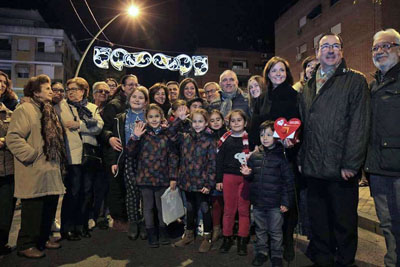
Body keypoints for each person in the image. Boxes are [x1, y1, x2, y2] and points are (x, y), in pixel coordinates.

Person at [298, 33, 370, 266]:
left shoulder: (355, 81)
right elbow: (304, 126)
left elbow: (360, 125)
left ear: (342, 51)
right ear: (318, 52)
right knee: (319, 222)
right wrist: (301, 158)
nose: (330, 50)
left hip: (340, 169)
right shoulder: (308, 86)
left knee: (344, 223)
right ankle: (323, 260)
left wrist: (351, 163)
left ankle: (345, 262)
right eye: (325, 46)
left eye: (335, 46)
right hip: (313, 168)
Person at [6, 74, 65, 258]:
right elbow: (13, 137)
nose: (51, 91)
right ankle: (26, 244)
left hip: (50, 168)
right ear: (36, 92)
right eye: (47, 88)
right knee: (33, 209)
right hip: (34, 168)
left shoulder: (48, 110)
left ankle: (42, 239)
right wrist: (31, 155)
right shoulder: (25, 110)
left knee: (48, 206)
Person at [365, 28, 400, 267]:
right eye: (376, 48)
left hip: (398, 167)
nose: (380, 51)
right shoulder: (373, 85)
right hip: (377, 168)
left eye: (386, 46)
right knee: (387, 225)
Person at [241, 120, 294, 267]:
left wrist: (285, 201)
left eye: (269, 135)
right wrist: (247, 174)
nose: (265, 138)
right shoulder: (254, 156)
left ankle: (277, 254)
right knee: (260, 230)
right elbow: (251, 177)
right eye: (262, 134)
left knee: (276, 231)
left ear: (276, 137)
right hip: (258, 202)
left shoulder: (282, 157)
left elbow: (287, 181)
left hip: (275, 203)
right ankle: (261, 253)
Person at [58, 77, 104, 240]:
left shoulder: (91, 107)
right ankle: (67, 227)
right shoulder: (62, 106)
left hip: (89, 155)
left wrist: (79, 126)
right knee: (73, 192)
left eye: (75, 89)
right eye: (69, 89)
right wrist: (85, 127)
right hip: (72, 156)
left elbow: (98, 127)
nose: (71, 92)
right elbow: (63, 125)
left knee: (87, 192)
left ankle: (82, 225)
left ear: (84, 91)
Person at [125, 104, 178, 248]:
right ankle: (151, 234)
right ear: (146, 119)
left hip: (162, 177)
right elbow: (129, 152)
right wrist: (135, 137)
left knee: (162, 208)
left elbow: (173, 157)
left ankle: (163, 232)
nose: (154, 119)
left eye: (156, 116)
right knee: (147, 208)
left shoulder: (167, 134)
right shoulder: (142, 134)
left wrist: (173, 177)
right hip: (145, 178)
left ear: (161, 117)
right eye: (150, 117)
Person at [171, 107, 216, 253]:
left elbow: (212, 164)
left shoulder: (210, 139)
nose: (197, 124)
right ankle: (189, 234)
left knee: (204, 208)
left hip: (202, 183)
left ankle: (207, 237)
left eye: (200, 121)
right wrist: (179, 120)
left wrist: (209, 183)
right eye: (194, 121)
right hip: (187, 181)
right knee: (189, 208)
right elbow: (170, 134)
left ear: (206, 123)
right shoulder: (185, 136)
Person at [101, 74, 139, 231]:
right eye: (130, 84)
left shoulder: (136, 104)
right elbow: (104, 127)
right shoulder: (115, 105)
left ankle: (129, 217)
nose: (133, 87)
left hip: (130, 152)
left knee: (128, 188)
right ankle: (119, 219)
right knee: (117, 187)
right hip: (116, 152)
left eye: (136, 84)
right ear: (122, 87)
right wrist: (109, 137)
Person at [110, 86, 148, 241]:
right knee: (132, 193)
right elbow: (116, 141)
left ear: (146, 102)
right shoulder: (120, 118)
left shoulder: (151, 116)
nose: (137, 100)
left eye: (141, 97)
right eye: (134, 97)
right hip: (128, 160)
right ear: (129, 99)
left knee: (146, 194)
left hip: (148, 162)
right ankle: (133, 222)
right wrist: (115, 161)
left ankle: (146, 223)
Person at [216, 109, 251, 255]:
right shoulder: (225, 139)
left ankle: (242, 239)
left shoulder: (250, 139)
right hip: (228, 177)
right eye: (233, 121)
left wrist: (251, 172)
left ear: (245, 122)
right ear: (229, 123)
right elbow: (219, 161)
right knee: (229, 210)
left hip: (245, 178)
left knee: (243, 210)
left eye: (239, 120)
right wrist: (218, 180)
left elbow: (254, 159)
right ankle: (227, 237)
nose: (236, 123)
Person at [208, 109, 227, 243]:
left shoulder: (228, 135)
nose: (215, 123)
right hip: (212, 174)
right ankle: (216, 229)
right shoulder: (207, 136)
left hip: (227, 173)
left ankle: (227, 230)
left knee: (227, 204)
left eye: (218, 120)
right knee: (215, 203)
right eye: (212, 120)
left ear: (223, 120)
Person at [0, 91, 15, 258]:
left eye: (4, 83)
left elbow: (15, 136)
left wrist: (4, 141)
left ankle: (2, 242)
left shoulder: (9, 113)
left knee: (6, 209)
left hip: (9, 168)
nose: (0, 85)